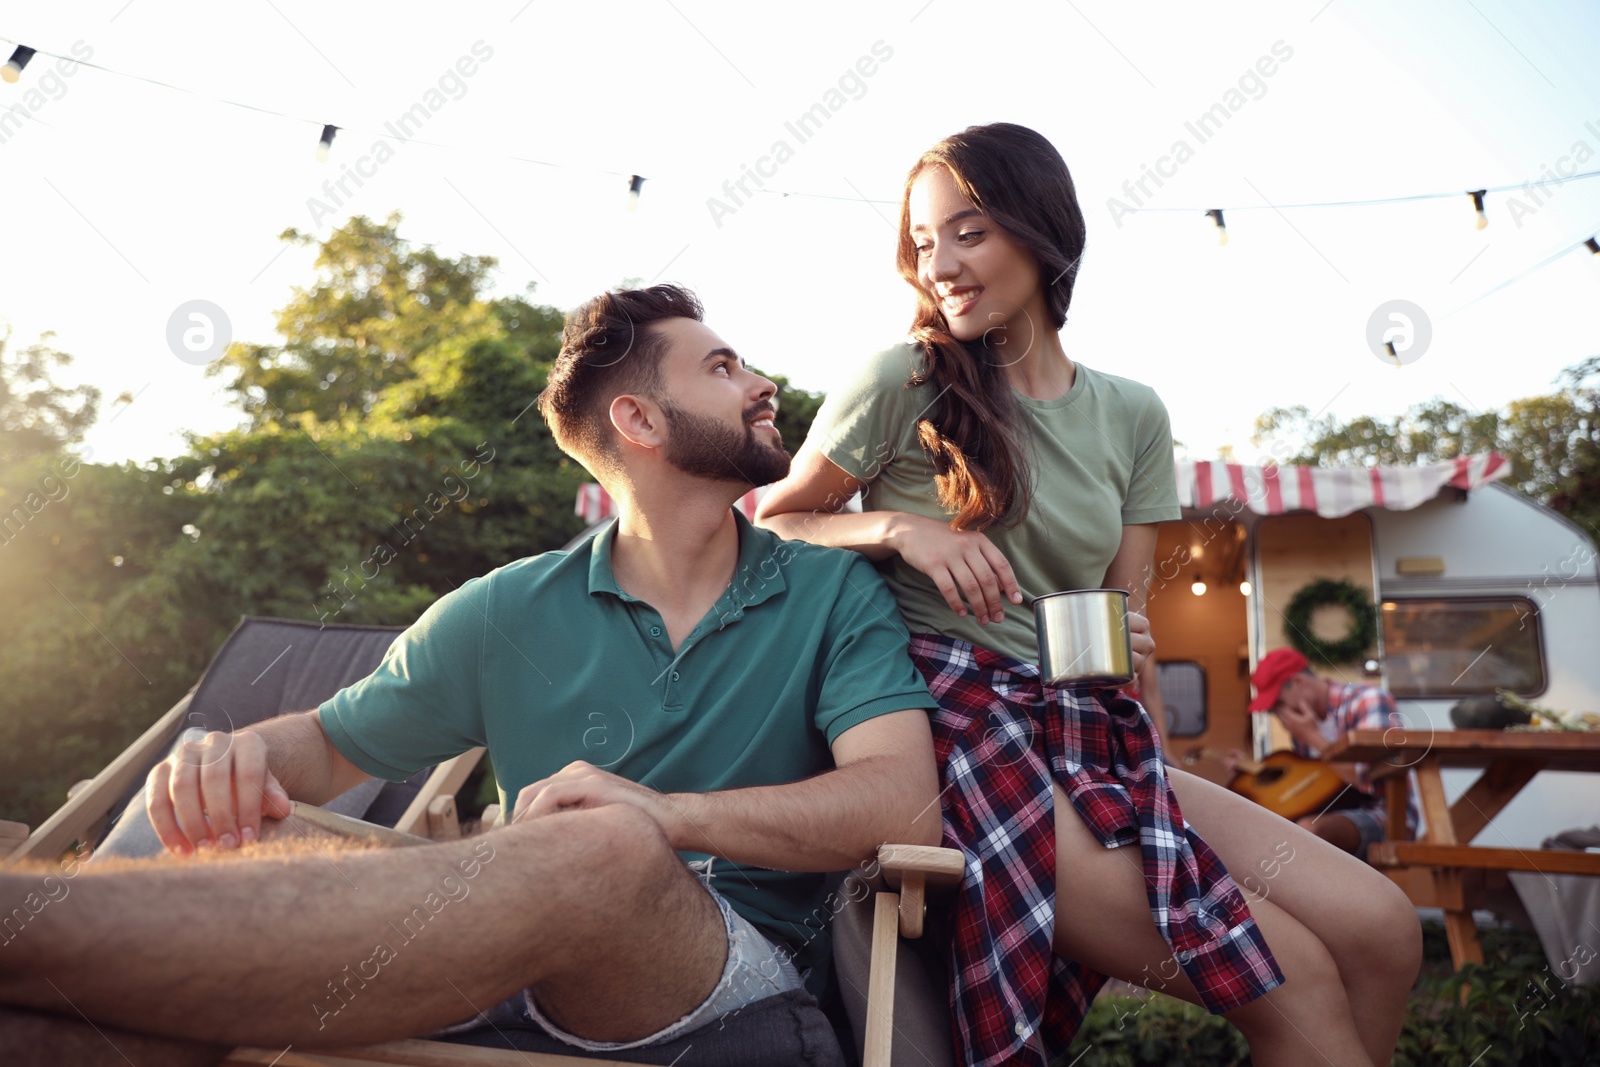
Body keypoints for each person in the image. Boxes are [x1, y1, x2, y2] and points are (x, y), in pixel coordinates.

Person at [0, 284, 942, 1064]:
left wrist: (665, 814)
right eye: (723, 368)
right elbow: (328, 744)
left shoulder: (830, 592)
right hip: (499, 987)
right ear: (640, 419)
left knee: (608, 845)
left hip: (732, 1004)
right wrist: (236, 757)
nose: (765, 383)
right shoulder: (505, 608)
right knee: (84, 1027)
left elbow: (902, 804)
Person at [755, 122, 1422, 1067]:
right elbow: (772, 528)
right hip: (957, 730)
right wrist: (900, 527)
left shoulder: (1134, 412)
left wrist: (1143, 704)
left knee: (1385, 929)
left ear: (1042, 229)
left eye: (969, 231)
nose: (938, 263)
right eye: (922, 240)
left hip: (1086, 725)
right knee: (1296, 977)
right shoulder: (903, 379)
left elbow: (1126, 615)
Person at [1243, 648, 1421, 860]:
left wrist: (1313, 737)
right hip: (1333, 813)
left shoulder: (1368, 700)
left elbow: (1370, 780)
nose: (1280, 716)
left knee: (1308, 832)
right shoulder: (1302, 726)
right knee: (1261, 832)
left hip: (1387, 816)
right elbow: (1315, 786)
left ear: (1298, 682)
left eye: (1278, 705)